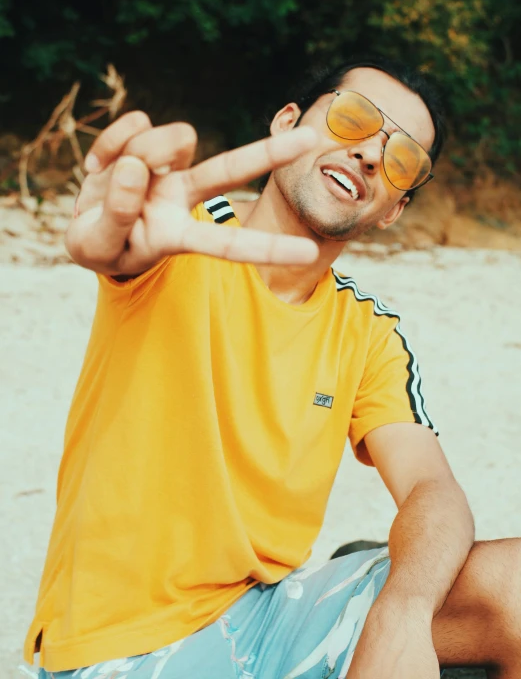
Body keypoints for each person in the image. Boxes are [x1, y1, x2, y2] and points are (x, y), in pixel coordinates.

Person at [24, 57, 520, 679]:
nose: (370, 154)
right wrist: (113, 245)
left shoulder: (366, 332)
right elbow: (120, 253)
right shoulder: (175, 243)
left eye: (401, 160)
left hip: (268, 619)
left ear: (394, 208)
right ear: (286, 124)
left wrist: (403, 615)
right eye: (352, 119)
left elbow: (432, 491)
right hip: (120, 647)